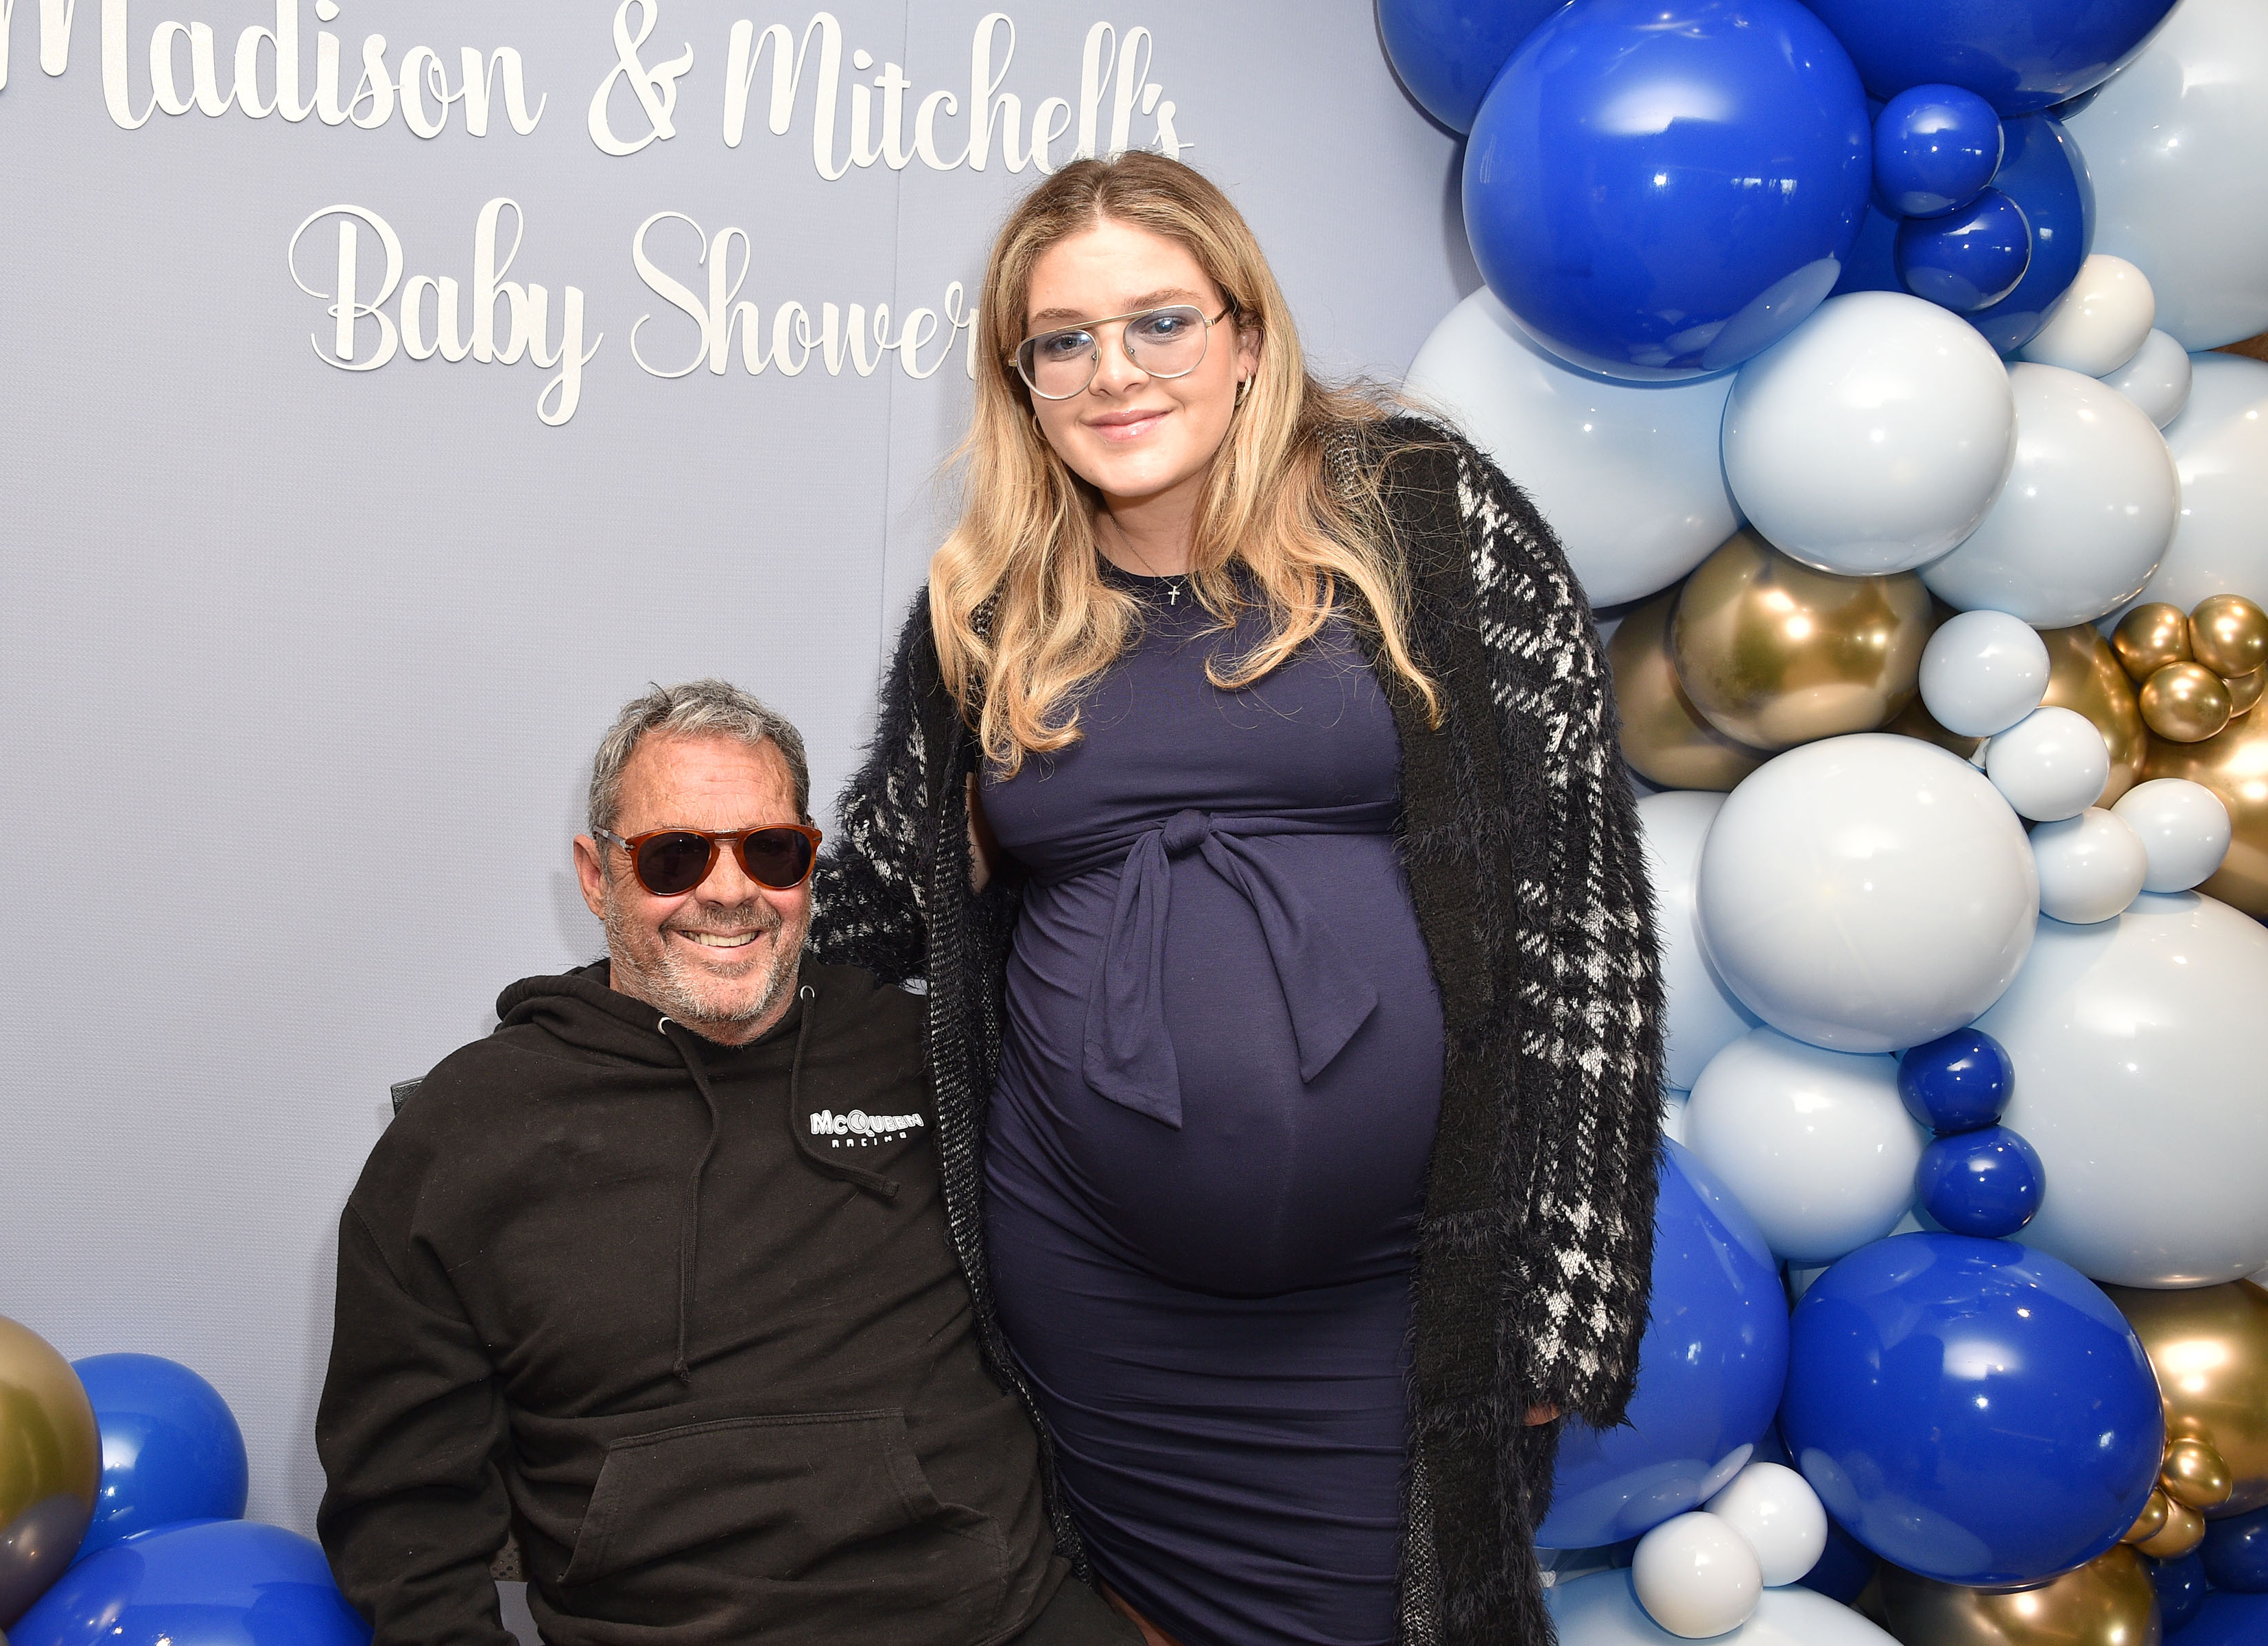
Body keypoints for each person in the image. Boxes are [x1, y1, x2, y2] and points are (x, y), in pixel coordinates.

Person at [809, 154, 1666, 1646]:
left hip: (1399, 1293)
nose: (1112, 373)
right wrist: (664, 984)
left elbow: (1583, 916)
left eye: (1160, 322)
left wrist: (1565, 1296)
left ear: (1248, 333)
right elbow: (881, 898)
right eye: (1061, 341)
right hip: (1092, 1299)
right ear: (1022, 384)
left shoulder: (1434, 522)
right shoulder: (990, 606)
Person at [316, 680, 1139, 1646]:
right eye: (675, 856)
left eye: (771, 851)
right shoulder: (466, 1133)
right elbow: (404, 1513)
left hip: (998, 1623)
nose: (729, 890)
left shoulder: (932, 1055)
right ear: (596, 875)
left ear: (810, 865)